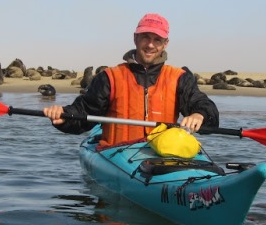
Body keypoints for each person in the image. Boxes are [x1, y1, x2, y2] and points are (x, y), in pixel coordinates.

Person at [43, 13, 219, 147]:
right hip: (117, 153)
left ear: (165, 43)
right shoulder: (109, 78)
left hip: (162, 155)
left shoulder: (180, 78)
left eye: (157, 39)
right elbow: (83, 113)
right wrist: (63, 117)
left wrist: (200, 115)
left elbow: (205, 108)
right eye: (145, 37)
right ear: (135, 38)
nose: (150, 45)